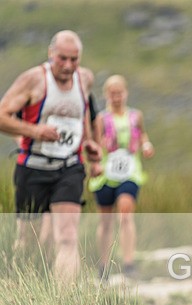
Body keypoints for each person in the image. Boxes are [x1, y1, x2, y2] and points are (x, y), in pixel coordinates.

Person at [0, 30, 101, 283]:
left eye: (74, 59)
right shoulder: (34, 80)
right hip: (32, 167)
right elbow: (2, 116)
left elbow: (83, 113)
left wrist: (89, 144)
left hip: (69, 167)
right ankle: (23, 295)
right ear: (50, 54)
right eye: (62, 59)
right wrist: (35, 131)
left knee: (67, 236)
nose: (68, 66)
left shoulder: (85, 79)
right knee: (29, 243)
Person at [89, 74, 155, 279]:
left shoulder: (136, 116)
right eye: (112, 93)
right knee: (106, 221)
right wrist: (96, 163)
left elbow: (143, 134)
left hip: (130, 172)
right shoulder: (101, 119)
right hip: (107, 174)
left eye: (119, 93)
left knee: (125, 214)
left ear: (126, 93)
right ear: (106, 95)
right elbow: (95, 144)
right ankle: (104, 265)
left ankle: (128, 263)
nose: (116, 97)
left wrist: (146, 145)